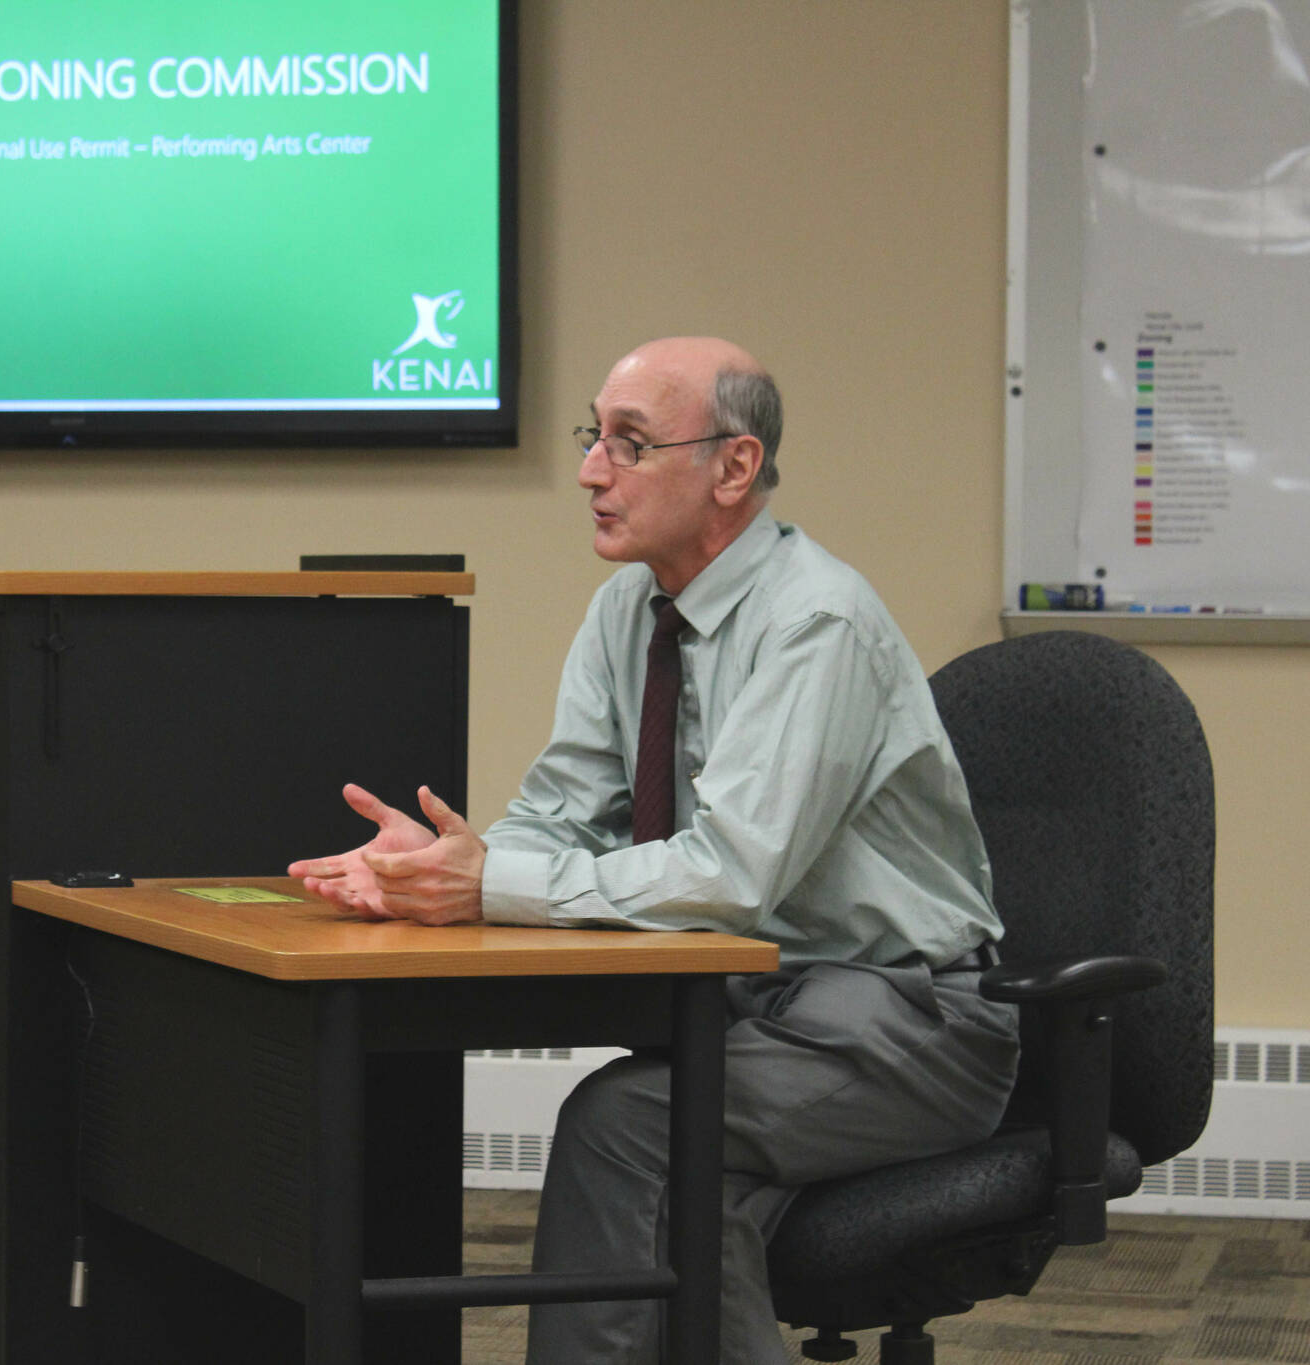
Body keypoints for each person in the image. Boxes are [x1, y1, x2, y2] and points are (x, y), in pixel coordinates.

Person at [286, 336, 1018, 1363]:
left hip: (908, 1023)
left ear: (733, 468)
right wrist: (434, 870)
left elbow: (730, 876)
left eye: (628, 444)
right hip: (752, 1006)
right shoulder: (627, 610)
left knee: (631, 1128)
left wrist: (492, 885)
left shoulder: (816, 623)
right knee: (681, 1181)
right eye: (595, 437)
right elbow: (561, 810)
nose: (589, 470)